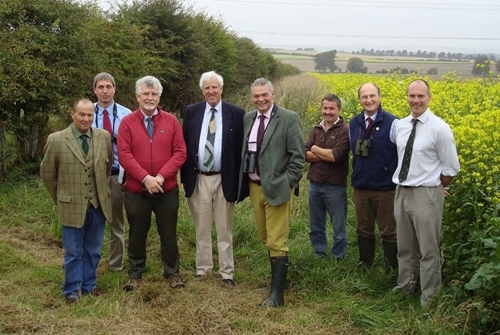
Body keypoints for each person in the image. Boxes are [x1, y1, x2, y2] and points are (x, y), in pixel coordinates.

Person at [238, 78, 305, 307]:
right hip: (255, 187)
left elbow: (298, 157)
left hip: (278, 188)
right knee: (265, 237)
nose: (260, 99)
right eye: (256, 96)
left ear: (273, 94)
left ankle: (277, 297)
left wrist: (288, 183)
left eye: (264, 95)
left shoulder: (288, 118)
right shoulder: (248, 118)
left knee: (277, 240)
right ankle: (275, 284)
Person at [392, 79, 460, 307]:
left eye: (421, 96)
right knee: (405, 246)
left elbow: (451, 168)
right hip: (402, 191)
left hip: (426, 194)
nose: (416, 100)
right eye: (412, 96)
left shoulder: (440, 128)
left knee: (428, 250)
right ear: (407, 98)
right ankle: (405, 288)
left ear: (429, 97)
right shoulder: (400, 126)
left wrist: (436, 187)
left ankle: (429, 298)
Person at [40, 98, 113, 304]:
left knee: (93, 249)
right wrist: (61, 198)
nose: (86, 119)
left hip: (98, 205)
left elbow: (106, 170)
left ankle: (89, 285)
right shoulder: (57, 139)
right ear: (72, 114)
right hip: (70, 205)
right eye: (82, 114)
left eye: (90, 115)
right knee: (73, 252)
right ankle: (72, 289)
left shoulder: (103, 137)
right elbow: (47, 174)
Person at [118, 75, 187, 291]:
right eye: (145, 94)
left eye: (154, 94)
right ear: (137, 96)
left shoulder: (171, 121)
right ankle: (135, 274)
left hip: (166, 189)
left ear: (159, 97)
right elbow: (125, 155)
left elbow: (180, 152)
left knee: (168, 232)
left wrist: (160, 177)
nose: (150, 97)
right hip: (136, 190)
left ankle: (172, 272)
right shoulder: (127, 123)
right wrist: (145, 178)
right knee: (137, 233)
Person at [181, 71, 244, 287]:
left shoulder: (236, 113)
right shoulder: (192, 112)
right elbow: (184, 145)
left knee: (224, 229)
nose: (211, 91)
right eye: (207, 88)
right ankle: (203, 269)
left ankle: (227, 272)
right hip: (198, 178)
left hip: (224, 179)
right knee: (202, 227)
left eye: (214, 87)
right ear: (202, 91)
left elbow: (240, 150)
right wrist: (184, 178)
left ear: (222, 89)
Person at [349, 83, 398, 270]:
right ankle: (365, 264)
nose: (368, 100)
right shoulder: (354, 122)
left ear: (380, 97)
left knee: (389, 230)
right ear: (359, 99)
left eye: (372, 96)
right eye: (364, 97)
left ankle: (391, 268)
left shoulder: (393, 123)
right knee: (363, 228)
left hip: (385, 188)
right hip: (361, 187)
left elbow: (402, 154)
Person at [92, 72, 132, 272]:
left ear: (115, 89)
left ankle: (115, 264)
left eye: (108, 87)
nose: (105, 91)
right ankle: (91, 261)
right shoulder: (86, 113)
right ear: (95, 90)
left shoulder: (127, 114)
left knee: (117, 222)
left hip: (117, 176)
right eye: (101, 87)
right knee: (92, 220)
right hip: (93, 177)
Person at [305, 94, 350, 260]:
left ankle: (339, 256)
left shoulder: (345, 129)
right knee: (316, 223)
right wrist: (324, 153)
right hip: (315, 183)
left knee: (338, 225)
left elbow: (336, 156)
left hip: (335, 185)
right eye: (325, 108)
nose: (328, 112)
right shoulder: (317, 128)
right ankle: (319, 252)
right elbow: (304, 153)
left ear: (339, 109)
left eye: (332, 108)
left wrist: (315, 149)